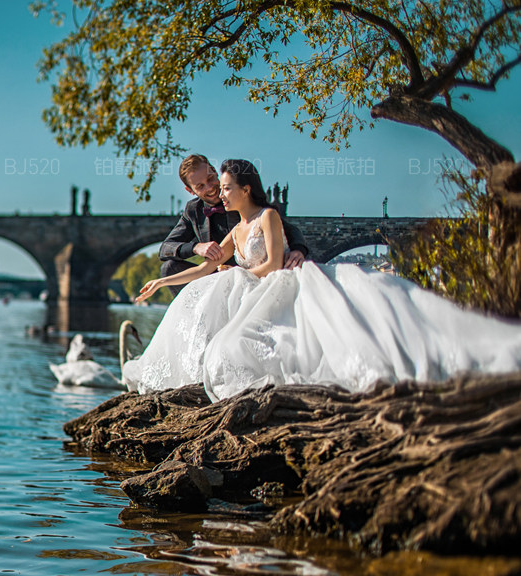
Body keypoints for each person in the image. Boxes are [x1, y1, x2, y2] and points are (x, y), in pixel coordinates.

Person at [124, 159, 521, 401]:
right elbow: (182, 255)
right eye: (206, 186)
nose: (215, 191)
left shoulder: (267, 214)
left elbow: (282, 246)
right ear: (191, 190)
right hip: (237, 280)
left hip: (268, 280)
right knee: (200, 290)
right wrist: (165, 282)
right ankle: (180, 368)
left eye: (219, 183)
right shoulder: (202, 214)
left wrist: (293, 254)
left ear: (240, 187)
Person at [158, 154, 310, 294]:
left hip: (252, 276)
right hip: (218, 274)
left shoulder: (241, 198)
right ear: (190, 190)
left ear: (215, 171)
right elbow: (166, 248)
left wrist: (298, 249)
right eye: (200, 186)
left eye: (210, 178)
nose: (210, 188)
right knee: (169, 268)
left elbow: (284, 227)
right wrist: (196, 247)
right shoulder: (193, 210)